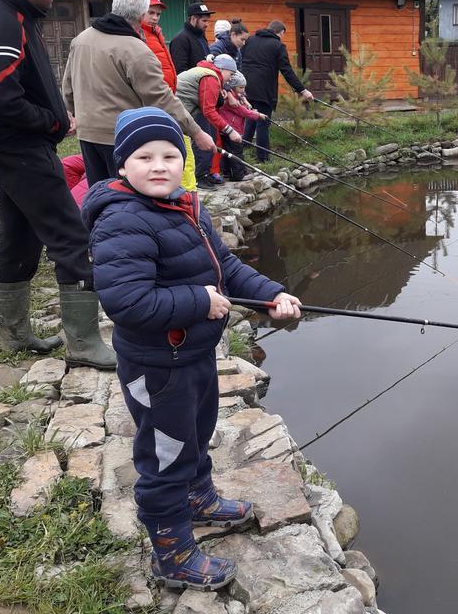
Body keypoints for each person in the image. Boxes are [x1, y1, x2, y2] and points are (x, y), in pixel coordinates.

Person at [83, 107, 301, 591]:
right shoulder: (122, 221)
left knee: (197, 433)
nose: (158, 165)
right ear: (122, 165)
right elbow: (128, 302)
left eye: (168, 155)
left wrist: (271, 294)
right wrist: (198, 300)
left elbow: (224, 267)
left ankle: (199, 498)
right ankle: (173, 552)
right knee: (165, 456)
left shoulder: (184, 206)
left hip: (192, 356)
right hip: (157, 365)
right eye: (144, 156)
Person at [0, 0, 114, 369]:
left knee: (19, 232)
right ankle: (84, 343)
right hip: (19, 146)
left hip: (10, 145)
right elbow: (1, 97)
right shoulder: (5, 19)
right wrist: (52, 121)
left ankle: (15, 334)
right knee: (71, 235)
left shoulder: (9, 10)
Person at [62, 0, 216, 186]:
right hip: (122, 137)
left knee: (99, 194)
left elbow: (68, 88)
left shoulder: (81, 39)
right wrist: (196, 132)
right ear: (142, 13)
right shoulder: (136, 50)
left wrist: (77, 114)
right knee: (125, 198)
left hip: (88, 134)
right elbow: (161, 98)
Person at [141, 0, 198, 194]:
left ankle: (188, 194)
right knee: (176, 149)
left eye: (158, 13)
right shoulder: (139, 35)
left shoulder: (157, 33)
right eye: (151, 12)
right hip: (156, 102)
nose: (155, 17)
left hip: (168, 97)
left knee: (183, 149)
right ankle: (181, 193)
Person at [241, 20, 314, 161]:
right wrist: (303, 90)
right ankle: (263, 158)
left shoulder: (250, 40)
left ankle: (245, 148)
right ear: (280, 33)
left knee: (251, 116)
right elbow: (287, 71)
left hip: (245, 86)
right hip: (264, 89)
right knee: (263, 123)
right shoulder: (278, 45)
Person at [175, 54, 239, 189]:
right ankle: (199, 178)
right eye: (231, 73)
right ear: (222, 69)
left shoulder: (207, 72)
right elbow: (208, 110)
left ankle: (202, 175)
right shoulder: (211, 77)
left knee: (206, 136)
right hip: (177, 114)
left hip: (183, 112)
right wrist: (230, 130)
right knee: (202, 141)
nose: (231, 78)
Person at [217, 72, 264, 181]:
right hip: (232, 130)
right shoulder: (231, 100)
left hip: (227, 130)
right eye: (241, 87)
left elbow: (243, 98)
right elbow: (243, 112)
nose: (243, 90)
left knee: (227, 153)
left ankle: (228, 172)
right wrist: (258, 115)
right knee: (236, 152)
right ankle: (238, 175)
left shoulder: (236, 95)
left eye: (244, 87)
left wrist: (246, 102)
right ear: (232, 87)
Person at [170, 2, 213, 74]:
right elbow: (180, 71)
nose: (207, 24)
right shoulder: (180, 39)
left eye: (207, 21)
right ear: (193, 19)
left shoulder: (201, 36)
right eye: (204, 21)